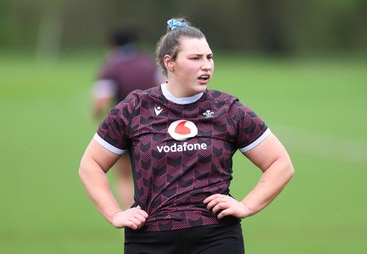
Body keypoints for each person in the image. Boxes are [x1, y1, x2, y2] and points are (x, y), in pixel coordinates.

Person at [79, 17, 294, 254]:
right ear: (169, 63)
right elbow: (91, 164)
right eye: (195, 58)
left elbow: (280, 163)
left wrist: (246, 205)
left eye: (209, 57)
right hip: (148, 239)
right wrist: (115, 214)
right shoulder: (135, 108)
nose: (207, 65)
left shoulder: (227, 109)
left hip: (216, 237)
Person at [90, 25, 163, 208]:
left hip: (125, 126)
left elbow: (101, 100)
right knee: (157, 175)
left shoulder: (111, 66)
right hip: (157, 124)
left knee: (124, 176)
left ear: (113, 44)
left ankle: (133, 218)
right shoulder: (149, 62)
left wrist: (96, 115)